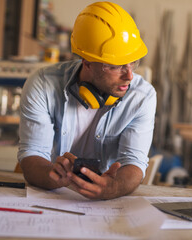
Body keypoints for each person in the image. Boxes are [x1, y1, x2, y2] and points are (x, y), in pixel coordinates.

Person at [17, 1, 156, 200]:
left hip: (103, 202)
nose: (129, 76)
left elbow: (134, 162)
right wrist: (53, 176)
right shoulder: (43, 85)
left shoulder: (142, 97)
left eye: (133, 62)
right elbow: (32, 154)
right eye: (116, 66)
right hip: (47, 195)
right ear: (87, 62)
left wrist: (114, 187)